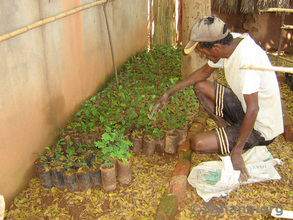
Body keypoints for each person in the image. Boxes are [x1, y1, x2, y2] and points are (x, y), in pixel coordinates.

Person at [150, 15, 284, 182]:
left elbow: (254, 109)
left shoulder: (247, 59)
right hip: (245, 110)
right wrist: (168, 93)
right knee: (200, 86)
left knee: (197, 143)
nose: (204, 56)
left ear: (217, 47)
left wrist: (236, 152)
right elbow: (203, 73)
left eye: (204, 53)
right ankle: (226, 129)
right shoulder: (230, 43)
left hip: (260, 127)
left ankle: (238, 140)